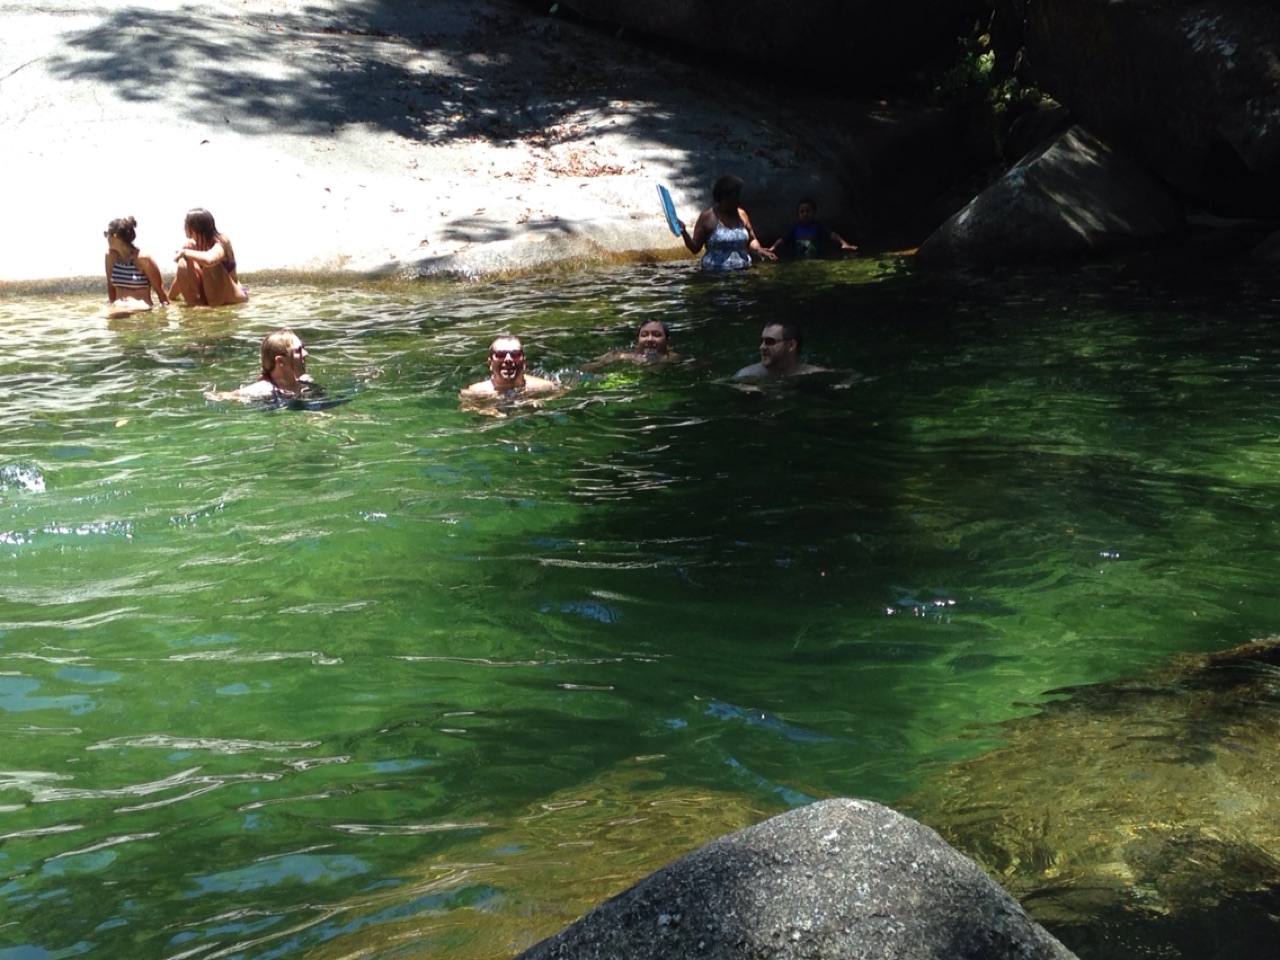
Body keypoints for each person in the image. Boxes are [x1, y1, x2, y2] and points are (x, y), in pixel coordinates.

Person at [678, 175, 776, 271]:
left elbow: (752, 239)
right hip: (715, 274)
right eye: (731, 200)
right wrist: (684, 232)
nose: (735, 202)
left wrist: (759, 250)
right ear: (721, 198)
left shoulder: (742, 214)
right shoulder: (708, 217)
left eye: (737, 198)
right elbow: (695, 248)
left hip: (742, 272)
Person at [169, 208, 249, 307]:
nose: (183, 228)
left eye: (185, 224)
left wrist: (185, 252)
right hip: (207, 296)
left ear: (192, 228)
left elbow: (210, 260)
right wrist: (169, 297)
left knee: (212, 265)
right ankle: (196, 304)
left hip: (232, 296)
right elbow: (182, 274)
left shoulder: (221, 240)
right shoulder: (190, 246)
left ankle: (213, 305)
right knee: (183, 262)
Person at [205, 329, 314, 401]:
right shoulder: (262, 391)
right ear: (280, 361)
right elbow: (221, 397)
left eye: (303, 348)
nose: (305, 354)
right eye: (298, 351)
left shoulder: (306, 383)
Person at [460, 335, 565, 410]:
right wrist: (487, 411)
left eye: (515, 354)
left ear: (524, 362)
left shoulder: (543, 386)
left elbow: (562, 392)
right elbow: (465, 408)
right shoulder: (476, 392)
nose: (508, 359)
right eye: (501, 355)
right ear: (490, 363)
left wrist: (543, 400)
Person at [103, 217, 168, 317]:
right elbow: (110, 286)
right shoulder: (111, 257)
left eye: (106, 234)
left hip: (140, 310)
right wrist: (112, 306)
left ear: (115, 236)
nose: (106, 238)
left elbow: (161, 291)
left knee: (99, 317)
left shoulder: (143, 258)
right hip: (118, 309)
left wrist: (164, 317)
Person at [768, 198, 858, 259]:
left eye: (808, 211)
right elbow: (783, 239)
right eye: (802, 212)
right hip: (799, 258)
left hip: (817, 258)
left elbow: (832, 235)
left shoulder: (819, 226)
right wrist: (773, 247)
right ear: (798, 214)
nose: (805, 214)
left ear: (814, 212)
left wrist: (844, 243)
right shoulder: (795, 228)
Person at [734, 321, 826, 379]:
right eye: (761, 341)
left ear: (791, 345)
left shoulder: (816, 375)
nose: (762, 347)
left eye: (770, 341)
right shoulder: (747, 375)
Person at [583, 319, 679, 370]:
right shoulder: (625, 356)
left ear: (668, 341)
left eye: (656, 335)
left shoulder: (675, 359)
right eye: (644, 335)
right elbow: (588, 367)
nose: (649, 339)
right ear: (637, 341)